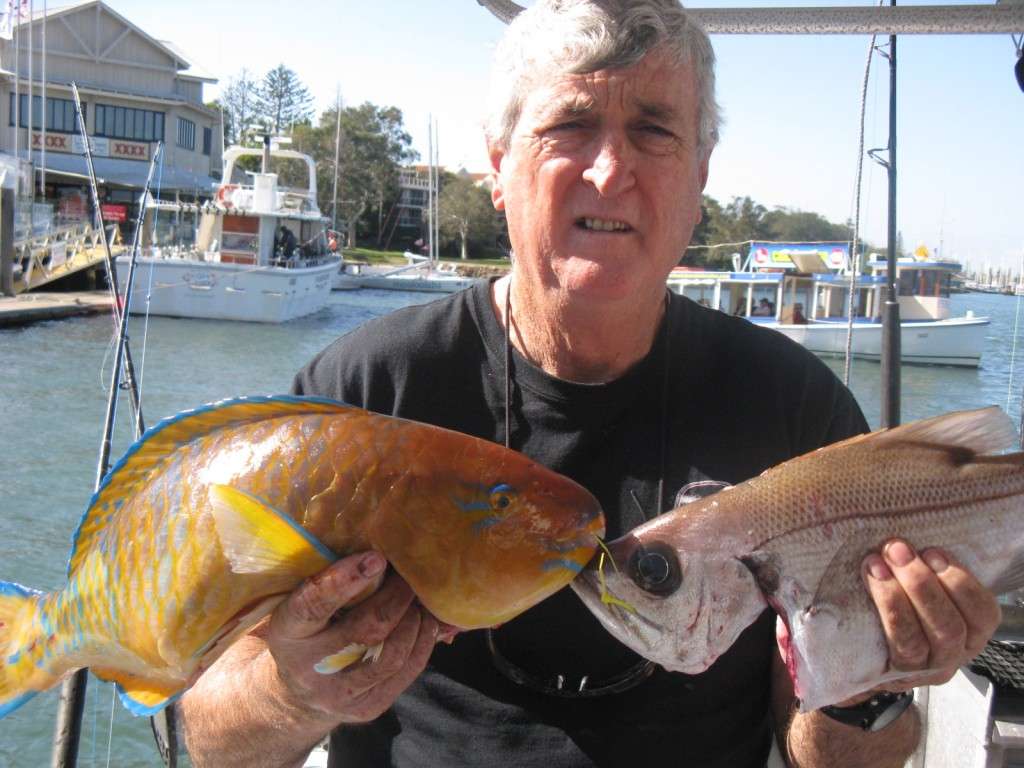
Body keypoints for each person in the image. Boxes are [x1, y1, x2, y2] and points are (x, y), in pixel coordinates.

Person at [180, 2, 1001, 766]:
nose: (611, 173)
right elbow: (212, 736)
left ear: (700, 177)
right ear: (500, 168)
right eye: (569, 125)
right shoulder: (363, 395)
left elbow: (826, 754)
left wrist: (869, 694)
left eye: (654, 131)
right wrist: (293, 690)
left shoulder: (798, 408)